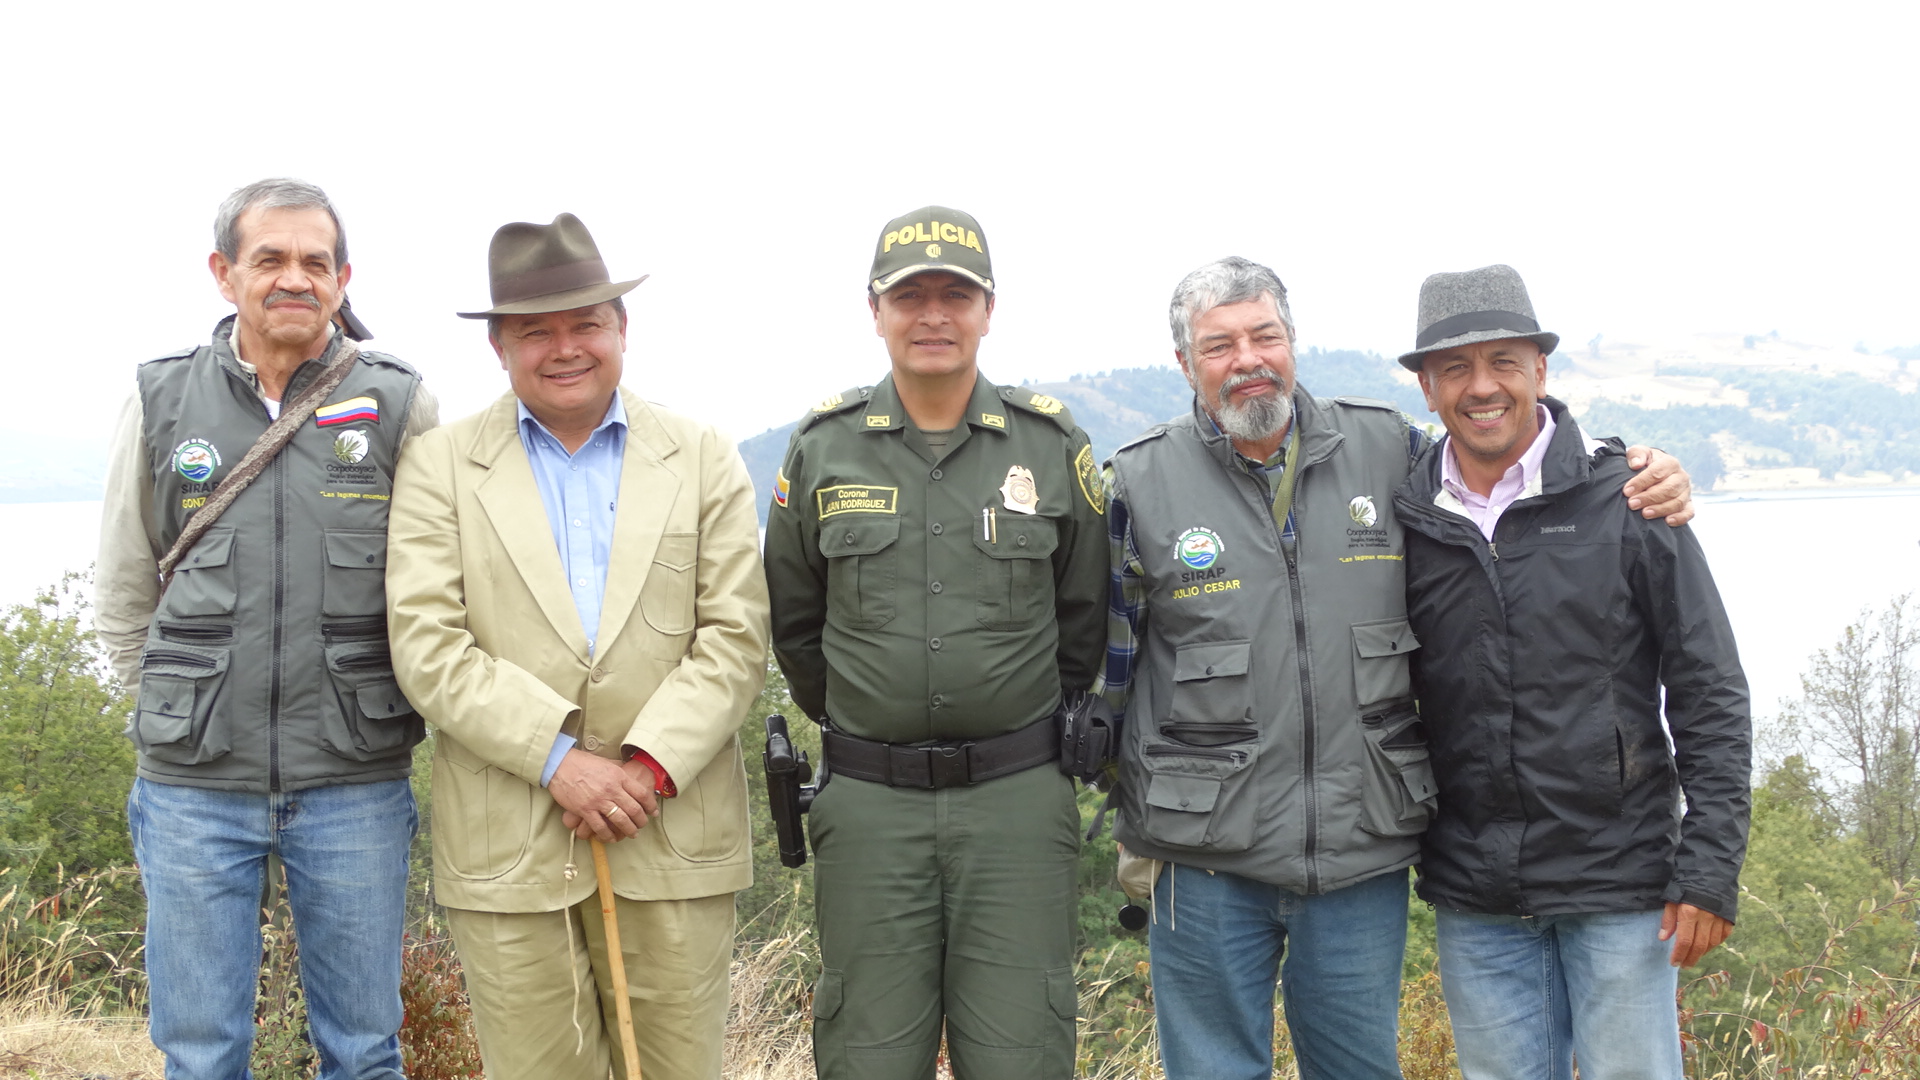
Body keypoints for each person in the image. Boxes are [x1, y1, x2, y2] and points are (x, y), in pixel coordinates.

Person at [1100, 256, 1695, 1080]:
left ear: (1293, 341)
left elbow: (1503, 469)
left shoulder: (1388, 451)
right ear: (1183, 363)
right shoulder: (1136, 482)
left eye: (1264, 336)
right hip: (1199, 861)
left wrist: (1631, 467)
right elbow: (1104, 669)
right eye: (1219, 345)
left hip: (1360, 852)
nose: (1248, 360)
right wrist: (1133, 818)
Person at [386, 214, 768, 1080]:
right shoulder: (439, 466)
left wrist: (647, 768)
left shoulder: (702, 455)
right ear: (498, 347)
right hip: (511, 848)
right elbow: (427, 643)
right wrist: (559, 761)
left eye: (586, 323)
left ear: (622, 328)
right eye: (535, 331)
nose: (565, 348)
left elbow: (737, 636)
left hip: (671, 832)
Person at [94, 177, 436, 1080]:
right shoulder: (161, 397)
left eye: (315, 262)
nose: (294, 278)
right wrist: (170, 711)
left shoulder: (399, 402)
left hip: (355, 779)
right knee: (202, 1054)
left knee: (364, 1053)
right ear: (224, 272)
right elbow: (124, 590)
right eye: (269, 259)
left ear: (342, 278)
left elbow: (437, 591)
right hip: (192, 788)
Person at [762, 205, 1107, 1079]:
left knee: (1023, 1054)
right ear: (874, 310)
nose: (933, 315)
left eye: (956, 295)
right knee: (868, 1055)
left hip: (1017, 804)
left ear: (989, 309)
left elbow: (1083, 620)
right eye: (909, 296)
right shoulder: (822, 449)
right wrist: (870, 718)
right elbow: (796, 627)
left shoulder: (1050, 445)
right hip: (870, 808)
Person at [1391, 264, 1750, 1080]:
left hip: (1620, 884)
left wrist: (1709, 868)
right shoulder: (1405, 517)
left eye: (1504, 362)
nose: (1483, 386)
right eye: (1455, 367)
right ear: (1427, 388)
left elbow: (1710, 691)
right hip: (1475, 895)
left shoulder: (1629, 501)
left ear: (1541, 370)